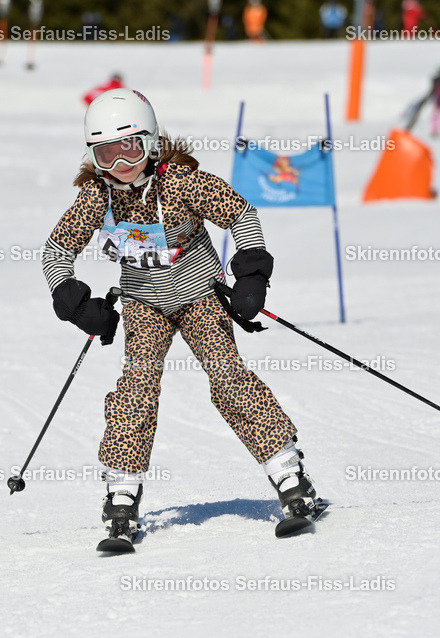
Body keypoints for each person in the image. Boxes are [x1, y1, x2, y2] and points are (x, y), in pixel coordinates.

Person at [41, 89, 324, 550]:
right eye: (105, 154)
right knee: (137, 386)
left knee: (228, 377)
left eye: (128, 148)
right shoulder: (97, 196)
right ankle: (122, 496)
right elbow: (57, 250)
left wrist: (251, 271)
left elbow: (240, 213)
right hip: (143, 305)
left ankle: (290, 477)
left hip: (199, 297)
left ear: (151, 142)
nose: (119, 165)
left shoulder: (182, 183)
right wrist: (72, 300)